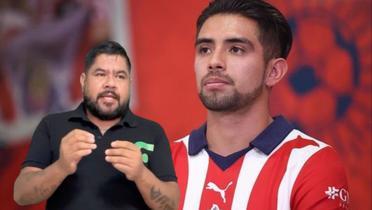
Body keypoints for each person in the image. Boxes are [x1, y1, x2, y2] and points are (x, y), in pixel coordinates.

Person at [171, 0, 349, 209]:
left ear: (273, 72)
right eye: (204, 49)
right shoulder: (161, 162)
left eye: (236, 49)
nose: (214, 61)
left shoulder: (312, 163)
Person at [14, 40, 179, 210]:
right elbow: (21, 195)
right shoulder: (52, 125)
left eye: (120, 76)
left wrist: (140, 173)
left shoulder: (152, 131)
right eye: (100, 74)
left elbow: (171, 204)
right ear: (83, 81)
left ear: (129, 83)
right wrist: (61, 167)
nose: (110, 83)